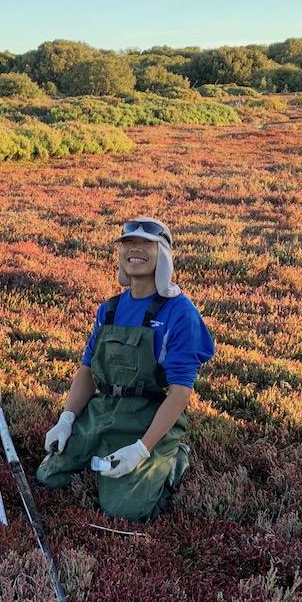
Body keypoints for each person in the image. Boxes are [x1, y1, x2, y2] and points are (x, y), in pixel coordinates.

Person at [36, 217, 214, 521]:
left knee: (124, 511)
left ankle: (173, 459)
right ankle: (103, 444)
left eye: (146, 244)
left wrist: (143, 450)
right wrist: (66, 420)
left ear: (164, 255)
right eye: (128, 244)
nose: (135, 250)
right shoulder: (110, 310)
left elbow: (180, 393)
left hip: (149, 416)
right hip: (105, 409)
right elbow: (87, 369)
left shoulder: (181, 312)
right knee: (48, 475)